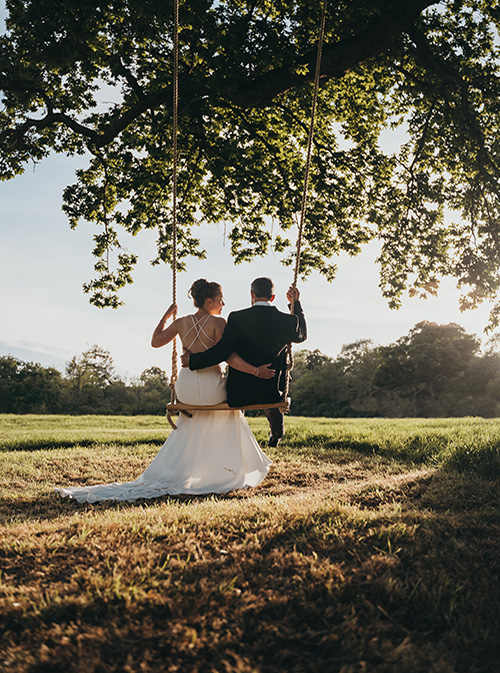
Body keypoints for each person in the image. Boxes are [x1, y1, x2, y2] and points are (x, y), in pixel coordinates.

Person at [56, 279, 273, 503]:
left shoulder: (181, 323)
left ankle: (198, 468)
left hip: (185, 388)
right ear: (209, 302)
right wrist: (255, 371)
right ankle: (226, 470)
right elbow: (229, 357)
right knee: (232, 410)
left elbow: (155, 341)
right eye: (220, 300)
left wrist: (166, 317)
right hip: (210, 386)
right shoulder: (219, 323)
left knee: (196, 416)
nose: (223, 303)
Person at [182, 277, 307, 447]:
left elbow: (221, 352)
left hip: (239, 394)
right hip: (271, 392)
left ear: (251, 294)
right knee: (275, 378)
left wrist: (193, 360)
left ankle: (236, 441)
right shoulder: (287, 320)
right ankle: (276, 433)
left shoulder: (236, 318)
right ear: (272, 297)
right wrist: (296, 304)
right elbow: (301, 335)